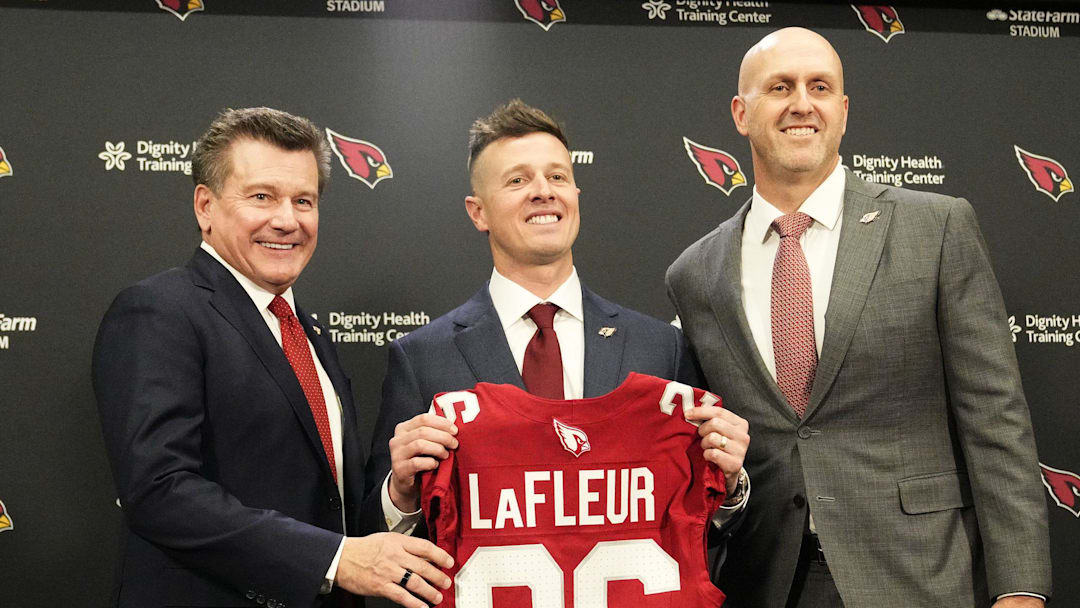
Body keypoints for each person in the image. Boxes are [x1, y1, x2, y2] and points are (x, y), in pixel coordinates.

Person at [667, 28, 1051, 607]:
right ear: (741, 113)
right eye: (780, 87)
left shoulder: (936, 229)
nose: (802, 103)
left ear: (842, 112)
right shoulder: (695, 273)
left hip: (920, 577)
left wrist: (1021, 590)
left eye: (819, 86)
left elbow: (996, 424)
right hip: (766, 582)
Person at [93, 107, 452, 608]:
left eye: (303, 200)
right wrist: (334, 559)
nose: (286, 220)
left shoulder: (310, 333)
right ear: (205, 206)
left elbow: (334, 512)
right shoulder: (160, 311)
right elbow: (159, 491)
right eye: (261, 196)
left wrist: (400, 494)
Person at [365, 100, 751, 550]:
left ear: (575, 196)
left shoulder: (660, 347)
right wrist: (401, 493)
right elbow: (376, 534)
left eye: (557, 176)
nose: (543, 191)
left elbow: (699, 525)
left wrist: (729, 486)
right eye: (517, 180)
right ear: (478, 212)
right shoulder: (422, 358)